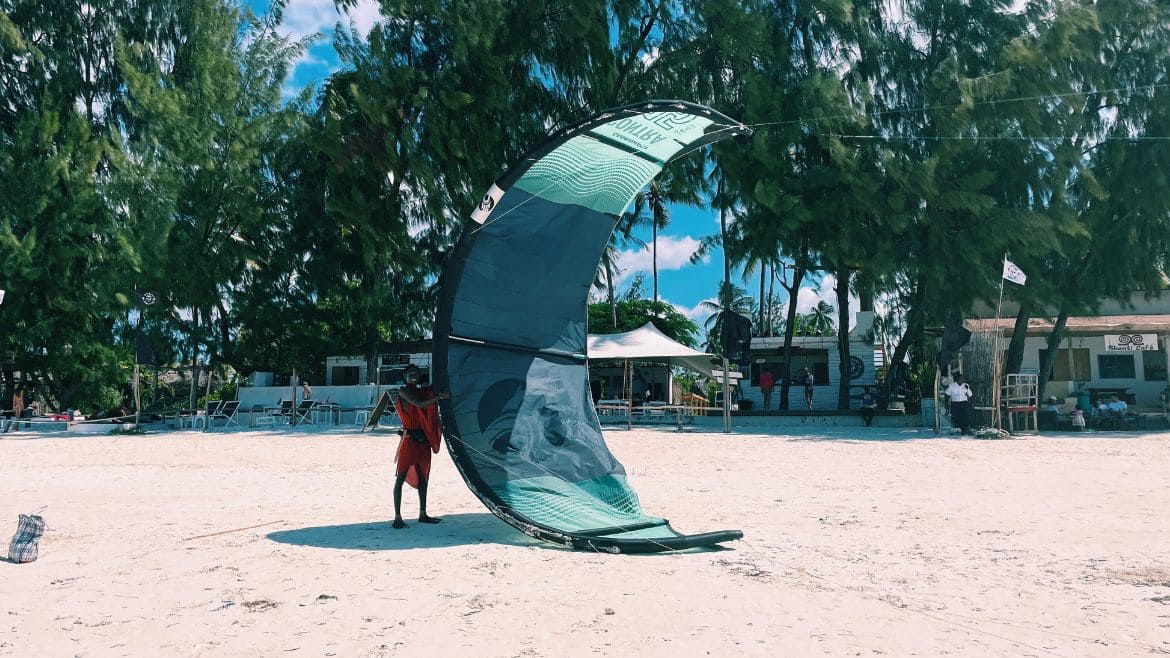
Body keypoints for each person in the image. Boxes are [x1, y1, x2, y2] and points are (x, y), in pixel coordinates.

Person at [392, 364, 449, 529]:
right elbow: (420, 404)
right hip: (409, 440)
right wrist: (439, 397)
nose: (413, 375)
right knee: (400, 478)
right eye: (409, 373)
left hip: (423, 441)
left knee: (424, 479)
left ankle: (423, 514)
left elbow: (430, 391)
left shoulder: (423, 391)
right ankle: (397, 517)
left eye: (415, 373)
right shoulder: (403, 391)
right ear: (404, 375)